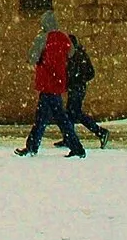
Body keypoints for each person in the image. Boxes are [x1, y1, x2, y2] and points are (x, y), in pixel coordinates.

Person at [17, 10, 85, 158]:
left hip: (46, 82)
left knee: (56, 118)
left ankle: (76, 147)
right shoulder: (63, 38)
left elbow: (32, 57)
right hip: (58, 81)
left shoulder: (42, 38)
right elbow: (71, 53)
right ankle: (32, 146)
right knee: (45, 117)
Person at [64, 32, 108, 149]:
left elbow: (89, 73)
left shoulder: (78, 55)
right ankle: (68, 137)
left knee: (75, 113)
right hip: (75, 88)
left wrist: (76, 79)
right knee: (70, 113)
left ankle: (100, 132)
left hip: (77, 88)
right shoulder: (73, 55)